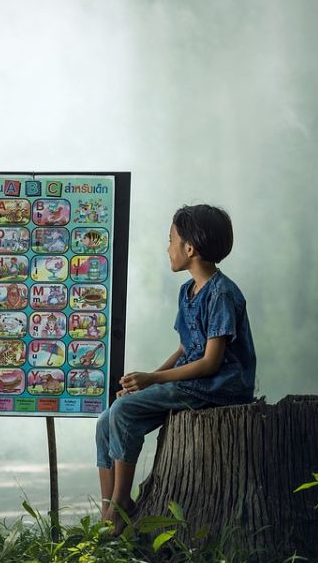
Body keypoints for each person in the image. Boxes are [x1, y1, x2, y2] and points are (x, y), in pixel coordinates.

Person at [94, 204, 256, 534]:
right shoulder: (188, 291)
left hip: (219, 386)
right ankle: (108, 507)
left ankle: (120, 507)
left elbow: (211, 363)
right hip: (193, 381)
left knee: (123, 411)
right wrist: (143, 382)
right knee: (107, 417)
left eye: (171, 240)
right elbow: (185, 348)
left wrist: (153, 379)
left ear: (190, 248)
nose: (167, 247)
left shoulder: (222, 293)